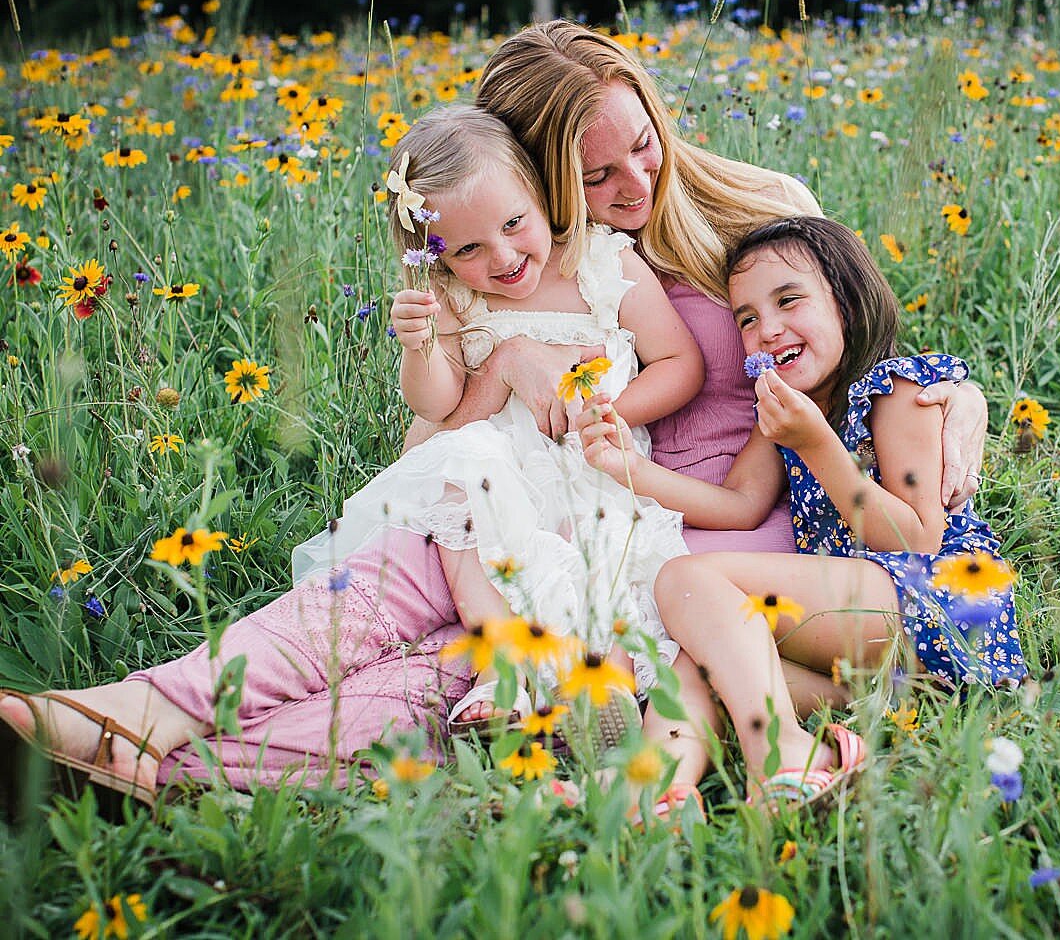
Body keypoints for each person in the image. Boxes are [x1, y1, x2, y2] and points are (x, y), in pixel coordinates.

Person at [0, 105, 703, 808]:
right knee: (354, 612)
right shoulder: (459, 300)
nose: (501, 259)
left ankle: (159, 761)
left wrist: (602, 417)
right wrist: (425, 346)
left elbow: (679, 364)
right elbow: (441, 412)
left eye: (514, 226)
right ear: (437, 255)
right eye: (466, 250)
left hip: (580, 525)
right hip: (470, 508)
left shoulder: (603, 264)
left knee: (409, 697)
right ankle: (137, 721)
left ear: (538, 195)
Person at [420, 21, 993, 746]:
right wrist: (515, 358)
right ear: (536, 183)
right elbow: (438, 437)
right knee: (663, 646)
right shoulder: (520, 269)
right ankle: (665, 793)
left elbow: (861, 355)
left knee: (680, 625)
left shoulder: (767, 209)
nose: (636, 183)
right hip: (634, 514)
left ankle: (773, 743)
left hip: (756, 537)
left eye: (643, 143)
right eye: (596, 177)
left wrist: (962, 401)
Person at [579, 217, 1026, 808]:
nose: (767, 330)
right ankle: (655, 784)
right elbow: (739, 505)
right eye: (746, 319)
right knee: (707, 652)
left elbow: (917, 535)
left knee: (686, 580)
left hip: (928, 602)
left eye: (789, 301)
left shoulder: (897, 391)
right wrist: (629, 469)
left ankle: (786, 749)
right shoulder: (789, 413)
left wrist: (817, 442)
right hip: (866, 641)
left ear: (844, 299)